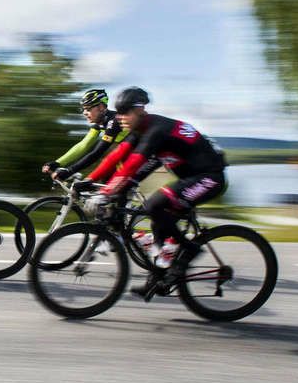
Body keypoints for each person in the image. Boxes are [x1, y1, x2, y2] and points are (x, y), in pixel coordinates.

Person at [81, 86, 226, 286]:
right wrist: (90, 180)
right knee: (157, 221)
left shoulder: (156, 130)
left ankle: (189, 249)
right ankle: (158, 278)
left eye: (125, 113)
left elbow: (132, 164)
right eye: (119, 112)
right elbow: (116, 156)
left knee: (153, 205)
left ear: (139, 111)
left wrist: (106, 192)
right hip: (190, 178)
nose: (120, 117)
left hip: (210, 177)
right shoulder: (139, 128)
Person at [41, 87, 125, 182]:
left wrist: (70, 170)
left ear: (101, 107)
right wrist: (57, 163)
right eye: (83, 109)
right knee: (104, 184)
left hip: (141, 154)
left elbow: (97, 153)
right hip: (125, 155)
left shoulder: (114, 122)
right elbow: (83, 145)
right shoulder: (98, 125)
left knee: (112, 187)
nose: (84, 113)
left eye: (88, 109)